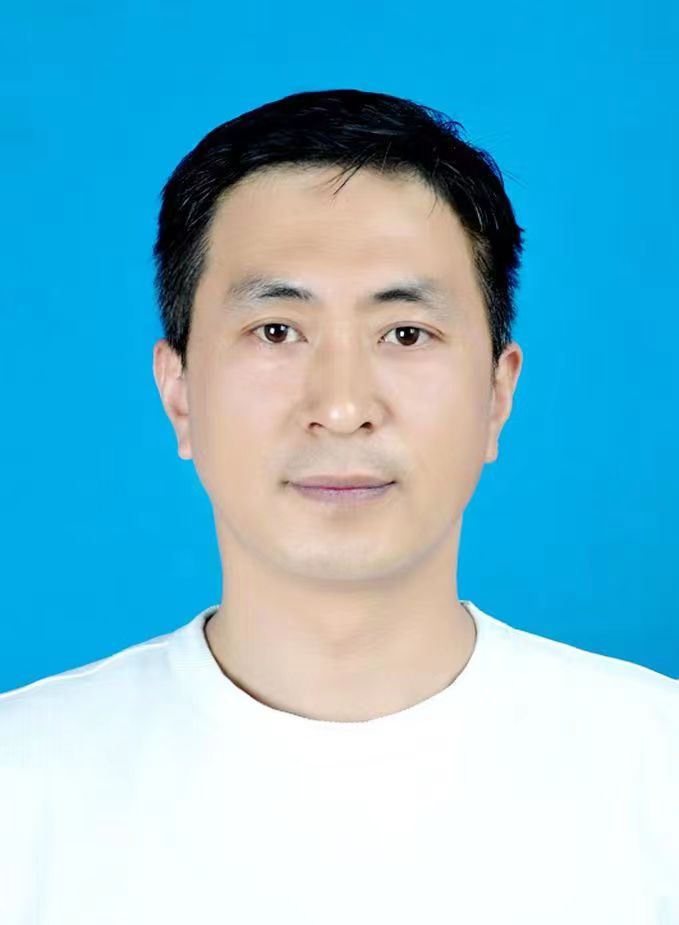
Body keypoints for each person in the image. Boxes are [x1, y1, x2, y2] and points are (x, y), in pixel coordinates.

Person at [0, 88, 676, 924]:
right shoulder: (21, 790)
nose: (343, 405)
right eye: (276, 330)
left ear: (497, 395)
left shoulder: (658, 779)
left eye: (405, 334)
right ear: (179, 393)